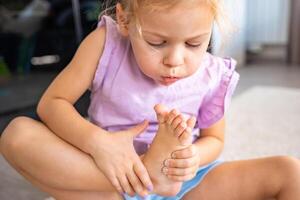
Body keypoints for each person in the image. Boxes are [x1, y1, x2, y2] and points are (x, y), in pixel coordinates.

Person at [1, 0, 300, 199]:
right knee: (17, 135)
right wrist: (97, 142)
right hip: (106, 176)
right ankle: (147, 178)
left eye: (196, 43)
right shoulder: (106, 43)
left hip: (185, 185)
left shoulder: (213, 74)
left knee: (290, 171)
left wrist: (192, 158)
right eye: (157, 42)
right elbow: (52, 103)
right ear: (125, 19)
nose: (175, 60)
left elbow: (215, 140)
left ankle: (154, 176)